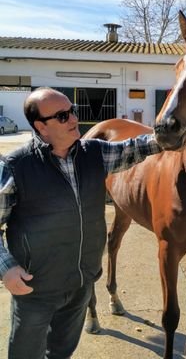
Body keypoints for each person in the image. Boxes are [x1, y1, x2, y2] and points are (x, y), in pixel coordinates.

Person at [0, 87, 163, 359]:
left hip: (81, 283)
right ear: (41, 126)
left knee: (62, 351)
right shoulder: (16, 167)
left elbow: (136, 147)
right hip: (35, 289)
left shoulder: (94, 153)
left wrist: (176, 132)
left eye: (72, 111)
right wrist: (6, 269)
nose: (74, 119)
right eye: (62, 116)